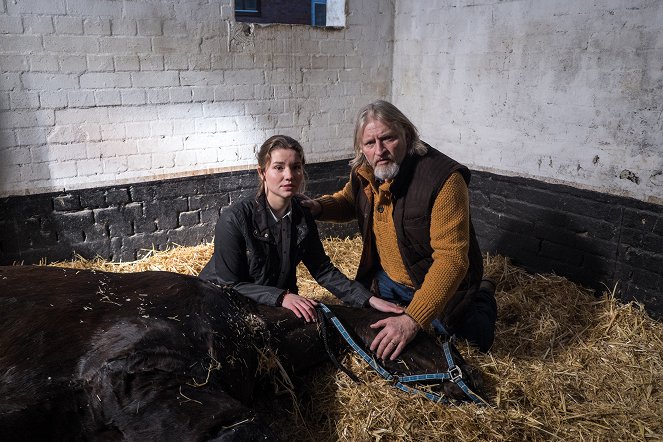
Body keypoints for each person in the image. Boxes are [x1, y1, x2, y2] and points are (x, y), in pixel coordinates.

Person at [301, 100, 497, 360]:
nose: (379, 150)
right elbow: (350, 201)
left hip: (436, 284)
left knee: (475, 341)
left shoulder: (445, 180)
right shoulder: (365, 172)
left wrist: (412, 319)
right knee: (368, 327)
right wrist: (319, 207)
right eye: (370, 143)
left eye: (388, 138)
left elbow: (451, 260)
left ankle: (484, 291)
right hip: (389, 280)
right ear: (362, 147)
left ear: (407, 134)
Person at [199, 135, 402, 323]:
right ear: (262, 172)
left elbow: (322, 270)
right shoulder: (234, 219)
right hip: (221, 303)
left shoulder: (302, 214)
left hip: (274, 302)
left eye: (295, 167)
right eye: (278, 167)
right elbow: (228, 284)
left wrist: (367, 299)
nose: (289, 176)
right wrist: (281, 297)